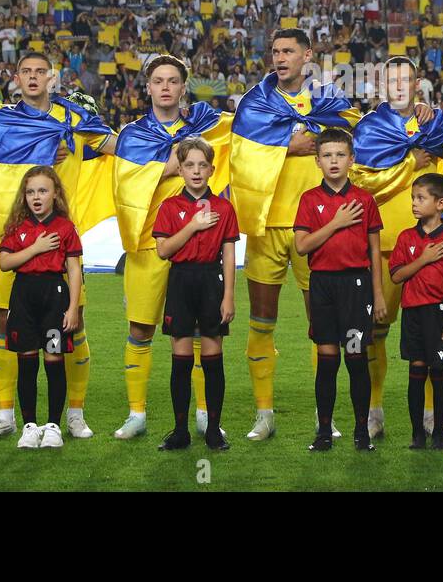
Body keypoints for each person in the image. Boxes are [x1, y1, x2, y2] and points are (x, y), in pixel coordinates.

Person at [0, 53, 115, 441]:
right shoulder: (3, 121)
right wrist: (39, 156)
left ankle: (74, 414)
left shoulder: (73, 119)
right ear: (16, 78)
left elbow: (111, 147)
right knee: (5, 327)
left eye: (40, 72)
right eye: (26, 72)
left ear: (52, 78)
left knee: (74, 324)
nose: (33, 78)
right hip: (17, 241)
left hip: (61, 247)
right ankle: (6, 415)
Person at [229, 30, 361, 442]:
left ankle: (326, 418)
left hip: (319, 226)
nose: (280, 57)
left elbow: (364, 132)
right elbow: (239, 154)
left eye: (288, 51)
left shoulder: (330, 101)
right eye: (275, 51)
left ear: (307, 55)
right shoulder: (254, 102)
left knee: (322, 326)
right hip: (267, 224)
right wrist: (288, 145)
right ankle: (264, 413)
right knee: (262, 320)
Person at [112, 55, 232, 441]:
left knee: (198, 332)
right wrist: (168, 164)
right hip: (150, 243)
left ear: (184, 87)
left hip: (198, 248)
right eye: (158, 81)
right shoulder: (133, 134)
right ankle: (137, 413)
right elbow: (124, 189)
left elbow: (249, 128)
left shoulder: (204, 129)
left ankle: (202, 414)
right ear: (147, 88)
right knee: (140, 327)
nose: (165, 87)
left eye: (173, 81)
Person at [350, 56, 443, 439]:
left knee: (428, 331)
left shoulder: (435, 122)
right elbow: (362, 181)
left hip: (431, 245)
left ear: (417, 82)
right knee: (377, 329)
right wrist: (410, 162)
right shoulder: (370, 127)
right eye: (393, 80)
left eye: (407, 79)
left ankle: (427, 412)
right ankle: (375, 409)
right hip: (385, 241)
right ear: (381, 84)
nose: (400, 86)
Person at [292, 127, 385, 452]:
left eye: (340, 155)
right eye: (327, 155)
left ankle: (362, 433)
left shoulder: (364, 200)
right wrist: (335, 223)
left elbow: (374, 251)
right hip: (323, 288)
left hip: (356, 288)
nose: (334, 161)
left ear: (351, 159)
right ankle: (324, 433)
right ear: (317, 161)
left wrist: (379, 294)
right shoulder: (309, 200)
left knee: (356, 359)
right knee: (327, 360)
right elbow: (302, 246)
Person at [151, 137, 237, 451]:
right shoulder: (170, 207)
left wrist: (229, 295)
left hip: (212, 282)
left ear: (212, 169)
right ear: (181, 170)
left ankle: (213, 430)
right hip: (181, 281)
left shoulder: (224, 208)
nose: (196, 171)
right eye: (189, 165)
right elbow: (163, 250)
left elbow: (229, 255)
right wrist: (192, 226)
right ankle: (180, 431)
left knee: (213, 359)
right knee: (181, 361)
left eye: (202, 165)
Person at [0, 166, 84, 450]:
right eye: (31, 191)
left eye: (43, 191)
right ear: (24, 196)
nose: (36, 197)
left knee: (54, 362)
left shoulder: (65, 227)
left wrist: (72, 308)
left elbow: (73, 269)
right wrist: (35, 248)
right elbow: (5, 262)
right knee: (27, 363)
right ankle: (30, 426)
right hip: (23, 297)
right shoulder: (17, 227)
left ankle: (53, 426)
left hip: (54, 299)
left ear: (55, 194)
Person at [387, 173, 443, 449]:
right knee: (416, 370)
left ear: (440, 203)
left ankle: (438, 434)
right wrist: (423, 259)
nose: (414, 203)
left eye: (421, 198)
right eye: (413, 198)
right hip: (412, 314)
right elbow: (397, 276)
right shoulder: (406, 237)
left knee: (439, 371)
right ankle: (417, 434)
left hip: (440, 314)